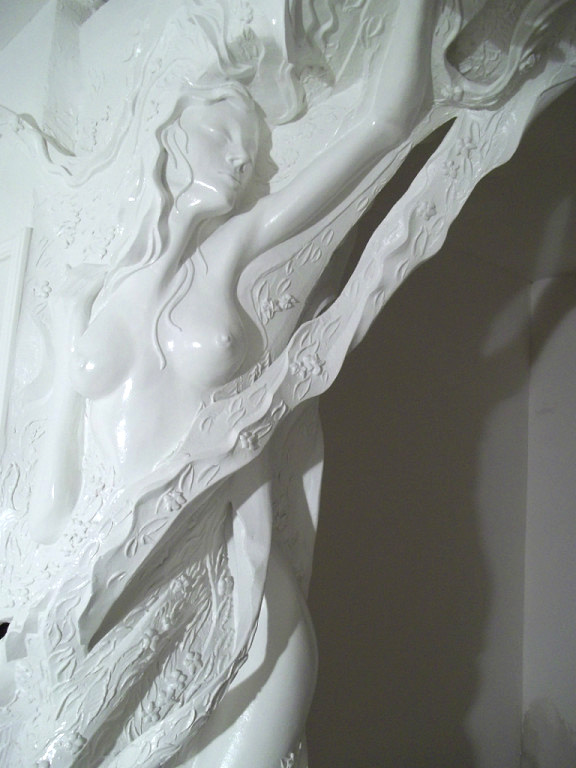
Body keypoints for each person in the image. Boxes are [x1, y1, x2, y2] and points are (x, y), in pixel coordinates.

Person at [2, 2, 439, 765]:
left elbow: (383, 121)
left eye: (253, 146)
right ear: (173, 135)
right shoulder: (95, 286)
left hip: (213, 570)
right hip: (94, 573)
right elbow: (46, 505)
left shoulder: (236, 249)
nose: (242, 157)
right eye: (223, 132)